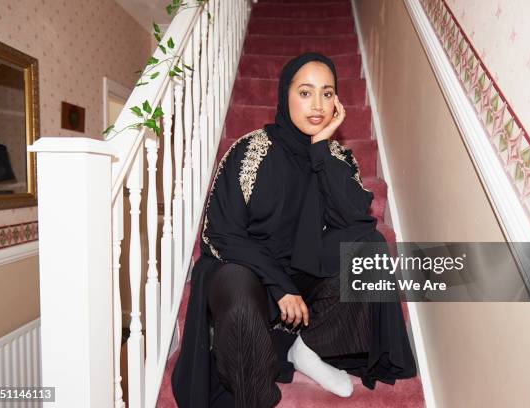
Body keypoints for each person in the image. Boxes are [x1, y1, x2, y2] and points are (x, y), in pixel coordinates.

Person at [171, 52, 417, 408]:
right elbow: (220, 234)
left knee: (370, 248)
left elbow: (356, 221)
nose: (317, 104)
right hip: (247, 273)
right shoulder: (249, 150)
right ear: (285, 95)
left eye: (327, 93)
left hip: (303, 273)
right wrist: (279, 284)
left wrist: (321, 151)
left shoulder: (338, 159)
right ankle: (253, 396)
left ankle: (310, 347)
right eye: (305, 93)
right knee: (237, 291)